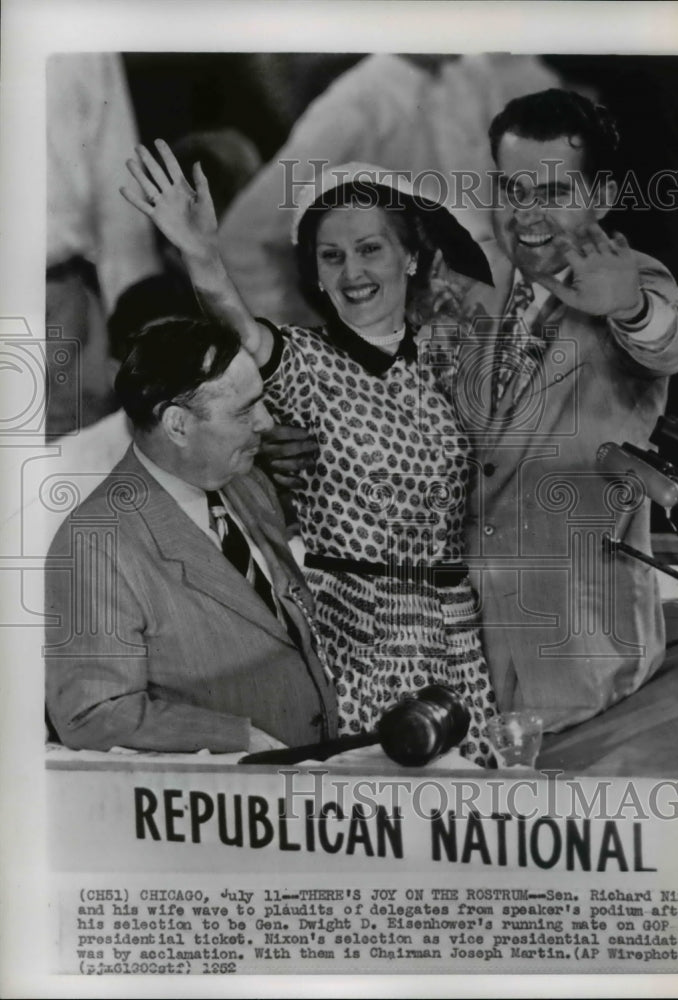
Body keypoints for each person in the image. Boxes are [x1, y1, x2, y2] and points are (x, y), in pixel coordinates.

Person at [120, 143, 497, 766]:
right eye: (332, 256)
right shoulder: (306, 363)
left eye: (370, 248)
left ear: (410, 258)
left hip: (454, 627)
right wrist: (199, 250)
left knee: (464, 823)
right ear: (316, 275)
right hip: (356, 631)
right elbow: (240, 327)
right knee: (367, 820)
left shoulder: (452, 359)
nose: (352, 271)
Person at [451, 89, 678, 728]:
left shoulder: (635, 281)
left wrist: (630, 308)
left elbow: (676, 336)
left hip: (583, 660)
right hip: (466, 661)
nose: (529, 214)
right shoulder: (479, 297)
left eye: (556, 194)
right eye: (514, 189)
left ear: (602, 197)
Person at [44, 318, 337, 753]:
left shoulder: (244, 481)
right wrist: (236, 738)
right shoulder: (96, 543)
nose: (266, 422)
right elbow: (93, 713)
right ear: (178, 425)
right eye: (243, 411)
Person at [217, 53, 561, 325]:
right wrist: (300, 342)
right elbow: (243, 239)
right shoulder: (356, 108)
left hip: (497, 319)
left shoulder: (469, 76)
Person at [46, 53, 162, 437]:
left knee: (68, 469)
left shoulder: (81, 39)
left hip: (58, 297)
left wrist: (143, 336)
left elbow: (119, 196)